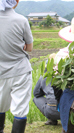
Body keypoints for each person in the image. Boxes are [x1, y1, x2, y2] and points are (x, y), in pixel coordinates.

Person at [0, 0, 33, 132]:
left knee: (0, 105)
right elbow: (29, 47)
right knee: (20, 109)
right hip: (20, 71)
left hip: (1, 73)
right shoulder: (21, 20)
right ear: (16, 2)